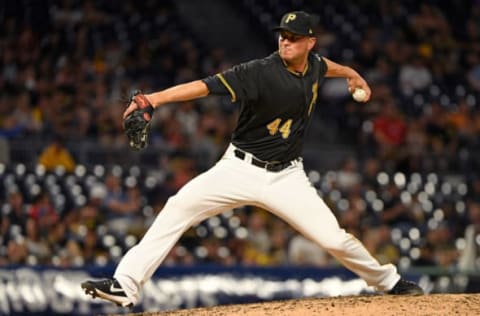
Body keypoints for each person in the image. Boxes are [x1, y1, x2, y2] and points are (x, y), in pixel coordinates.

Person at [82, 11, 423, 308]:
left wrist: (351, 73)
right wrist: (153, 99)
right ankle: (124, 284)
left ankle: (389, 282)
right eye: (282, 36)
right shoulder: (259, 72)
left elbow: (326, 67)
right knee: (178, 205)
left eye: (293, 38)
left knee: (334, 239)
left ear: (310, 43)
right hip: (238, 168)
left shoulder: (316, 66)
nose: (285, 42)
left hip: (287, 177)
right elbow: (203, 86)